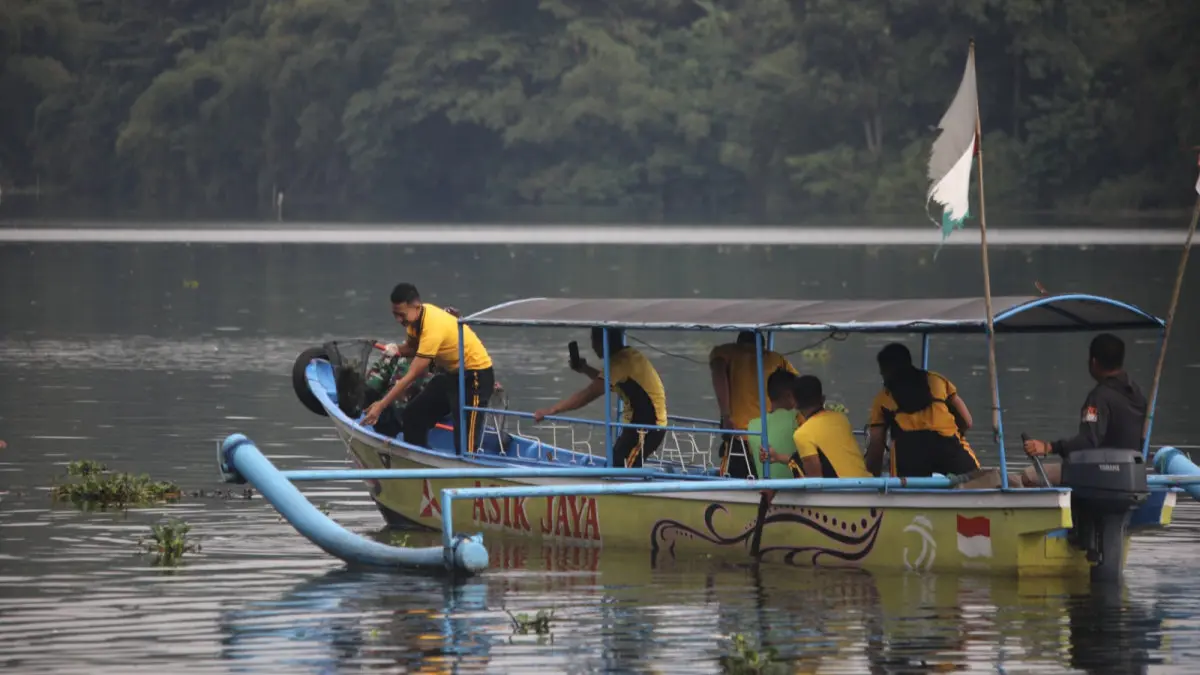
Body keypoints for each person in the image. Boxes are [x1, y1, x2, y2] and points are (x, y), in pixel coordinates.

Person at [363, 283, 495, 455]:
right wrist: (396, 349)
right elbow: (412, 347)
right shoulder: (414, 321)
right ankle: (416, 461)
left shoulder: (432, 326)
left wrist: (381, 405)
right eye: (395, 315)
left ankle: (467, 466)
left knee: (466, 444)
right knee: (413, 416)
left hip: (476, 377)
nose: (399, 320)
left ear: (416, 307)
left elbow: (412, 374)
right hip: (452, 375)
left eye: (401, 315)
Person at [1019, 333, 1147, 487]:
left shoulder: (1099, 397)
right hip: (1132, 473)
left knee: (1029, 475)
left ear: (1094, 362)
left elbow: (1088, 441)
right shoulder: (1136, 394)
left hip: (1100, 473)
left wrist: (1049, 447)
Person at [534, 327, 667, 468]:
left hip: (648, 427)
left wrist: (552, 410)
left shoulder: (620, 362)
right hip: (636, 424)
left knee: (622, 469)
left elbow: (589, 393)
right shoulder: (626, 357)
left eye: (594, 341)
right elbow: (606, 382)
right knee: (615, 465)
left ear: (605, 342)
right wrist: (585, 369)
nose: (593, 347)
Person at [865, 343, 978, 477]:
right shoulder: (938, 381)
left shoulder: (883, 398)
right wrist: (957, 434)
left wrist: (872, 477)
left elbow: (876, 446)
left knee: (905, 483)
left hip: (909, 455)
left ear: (885, 370)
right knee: (975, 478)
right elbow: (967, 421)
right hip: (949, 448)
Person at [710, 331, 799, 478]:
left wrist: (725, 415)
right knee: (768, 477)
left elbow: (718, 374)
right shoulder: (775, 359)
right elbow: (798, 384)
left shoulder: (725, 353)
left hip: (740, 434)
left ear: (738, 343)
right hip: (771, 436)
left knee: (735, 478)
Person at [763, 375, 871, 478]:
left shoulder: (803, 434)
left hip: (845, 489)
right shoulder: (841, 419)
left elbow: (815, 480)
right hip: (868, 484)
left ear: (794, 403)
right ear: (822, 399)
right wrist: (777, 457)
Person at [745, 370, 801, 480]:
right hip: (797, 487)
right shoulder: (797, 418)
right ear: (789, 395)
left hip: (766, 486)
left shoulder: (752, 425)